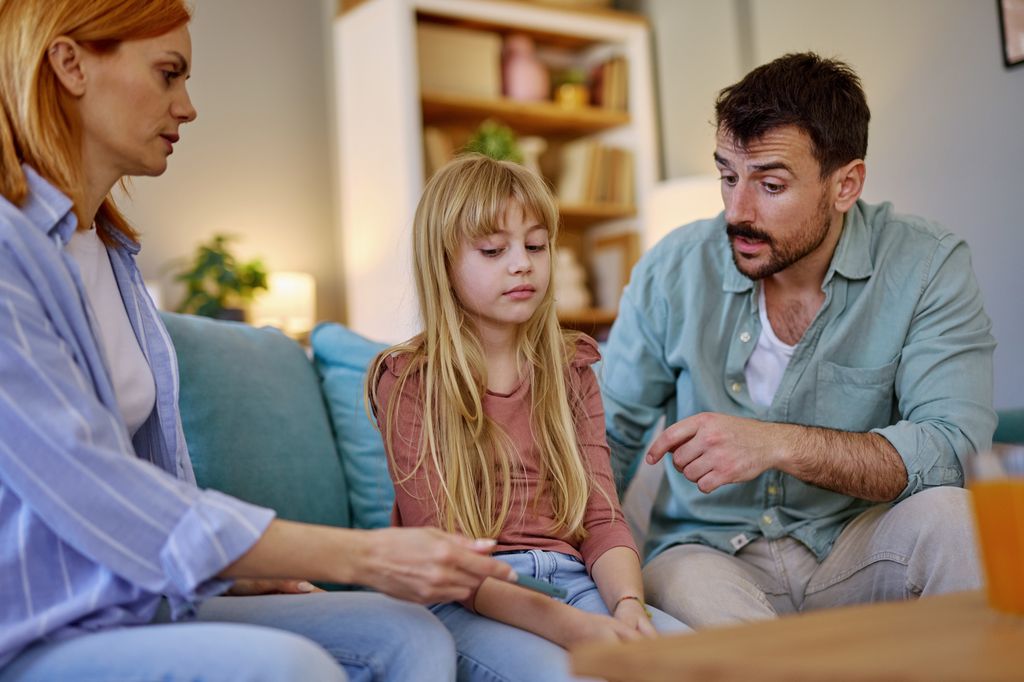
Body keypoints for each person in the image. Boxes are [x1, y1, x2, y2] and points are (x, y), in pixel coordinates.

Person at [0, 2, 518, 680]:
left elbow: (159, 483)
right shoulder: (10, 253)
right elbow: (97, 488)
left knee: (408, 634)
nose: (187, 107)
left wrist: (230, 572)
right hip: (42, 628)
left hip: (143, 602)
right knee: (291, 667)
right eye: (168, 74)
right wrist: (361, 554)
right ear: (69, 64)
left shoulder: (112, 252)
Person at [600, 52, 996, 628]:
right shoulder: (672, 271)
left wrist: (777, 443)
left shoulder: (926, 263)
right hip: (707, 554)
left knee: (955, 519)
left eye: (771, 184)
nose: (737, 211)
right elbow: (607, 440)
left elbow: (955, 450)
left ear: (845, 185)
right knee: (685, 588)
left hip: (854, 545)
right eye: (728, 177)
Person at [368, 154, 687, 681]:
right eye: (494, 249)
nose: (522, 263)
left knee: (700, 664)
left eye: (536, 246)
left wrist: (629, 603)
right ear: (442, 263)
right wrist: (572, 629)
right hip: (466, 598)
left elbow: (603, 518)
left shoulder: (572, 367)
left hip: (575, 580)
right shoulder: (408, 379)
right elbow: (442, 560)